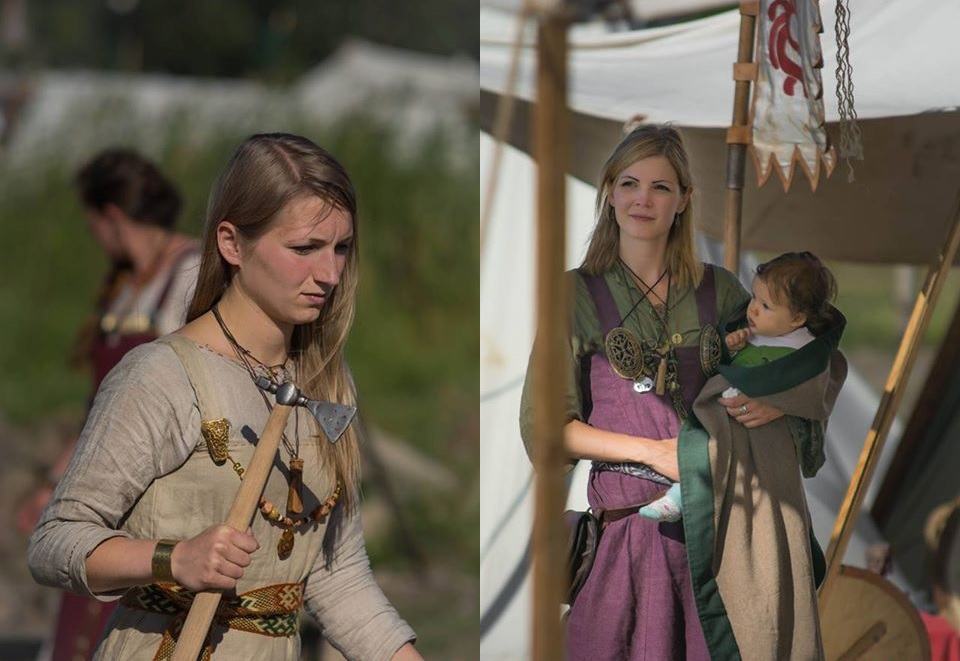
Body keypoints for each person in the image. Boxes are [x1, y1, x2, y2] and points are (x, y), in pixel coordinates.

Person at [28, 133, 421, 660]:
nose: (329, 274)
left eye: (341, 247)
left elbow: (338, 578)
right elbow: (53, 542)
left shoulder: (327, 377)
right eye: (304, 248)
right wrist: (173, 559)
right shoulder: (162, 375)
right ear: (232, 244)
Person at [519, 124, 844, 660]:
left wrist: (774, 403)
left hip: (724, 542)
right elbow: (548, 428)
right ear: (609, 192)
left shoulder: (726, 292)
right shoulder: (573, 294)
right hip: (625, 543)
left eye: (661, 187)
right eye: (629, 184)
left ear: (684, 200)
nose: (642, 199)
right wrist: (654, 453)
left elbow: (808, 357)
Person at [16, 148, 199, 661]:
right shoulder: (127, 290)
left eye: (92, 223)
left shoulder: (191, 275)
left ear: (112, 217)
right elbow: (101, 410)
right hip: (106, 482)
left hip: (157, 491)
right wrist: (53, 486)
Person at [638, 251, 840, 522]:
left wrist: (781, 403)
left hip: (764, 442)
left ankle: (681, 495)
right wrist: (731, 348)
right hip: (731, 412)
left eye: (766, 306)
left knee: (721, 447)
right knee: (709, 440)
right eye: (754, 297)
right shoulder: (757, 331)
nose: (753, 309)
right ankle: (687, 490)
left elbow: (813, 389)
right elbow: (731, 367)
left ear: (796, 319)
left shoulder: (807, 352)